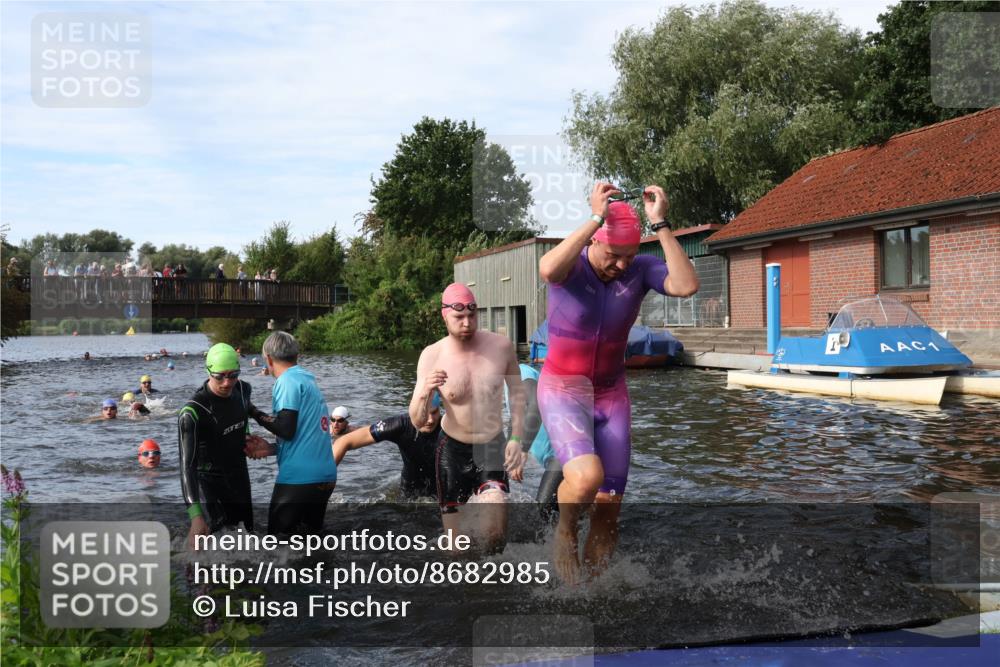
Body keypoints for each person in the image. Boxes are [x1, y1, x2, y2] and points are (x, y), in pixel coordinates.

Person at [537, 182, 699, 583]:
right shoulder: (571, 266)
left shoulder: (640, 270)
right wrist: (594, 215)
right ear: (595, 240)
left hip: (611, 394)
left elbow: (686, 285)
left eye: (629, 256)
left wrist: (660, 224)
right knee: (587, 477)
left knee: (610, 506)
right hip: (563, 388)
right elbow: (546, 269)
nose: (623, 265)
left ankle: (592, 592)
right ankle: (564, 531)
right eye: (614, 255)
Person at [409, 283, 525, 553]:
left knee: (495, 534)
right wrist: (425, 390)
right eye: (459, 317)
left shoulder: (501, 346)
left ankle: (496, 589)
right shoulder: (432, 355)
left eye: (472, 316)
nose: (467, 323)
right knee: (456, 549)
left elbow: (519, 396)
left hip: (491, 444)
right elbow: (417, 420)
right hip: (451, 449)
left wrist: (517, 438)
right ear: (444, 316)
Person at [244, 332, 337, 536]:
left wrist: (252, 411)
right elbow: (305, 435)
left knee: (278, 546)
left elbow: (285, 429)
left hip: (300, 479)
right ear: (297, 355)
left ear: (268, 358)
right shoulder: (308, 379)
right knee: (311, 543)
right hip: (325, 476)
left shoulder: (286, 381)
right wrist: (269, 449)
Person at [178, 343, 269, 545]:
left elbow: (245, 409)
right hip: (209, 481)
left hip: (238, 475)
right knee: (210, 545)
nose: (227, 383)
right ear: (208, 371)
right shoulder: (193, 412)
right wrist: (195, 515)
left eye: (233, 375)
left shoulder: (244, 389)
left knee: (247, 541)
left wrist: (246, 434)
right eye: (219, 376)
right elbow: (187, 467)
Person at [334, 393, 443, 499]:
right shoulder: (400, 425)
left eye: (434, 412)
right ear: (413, 410)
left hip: (444, 492)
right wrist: (325, 476)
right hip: (409, 493)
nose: (431, 420)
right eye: (424, 413)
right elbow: (344, 441)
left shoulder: (448, 428)